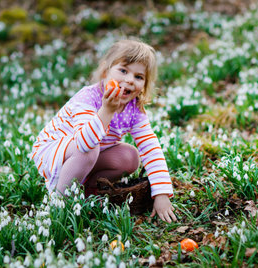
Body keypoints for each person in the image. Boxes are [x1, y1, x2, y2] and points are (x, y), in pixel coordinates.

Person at [29, 39, 177, 223]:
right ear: (106, 71)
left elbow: (150, 146)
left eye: (139, 77)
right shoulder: (88, 98)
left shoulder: (134, 108)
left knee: (130, 156)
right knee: (90, 148)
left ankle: (91, 192)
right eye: (123, 71)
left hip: (88, 152)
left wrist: (161, 193)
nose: (130, 80)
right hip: (53, 151)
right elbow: (83, 143)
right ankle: (60, 204)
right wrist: (106, 111)